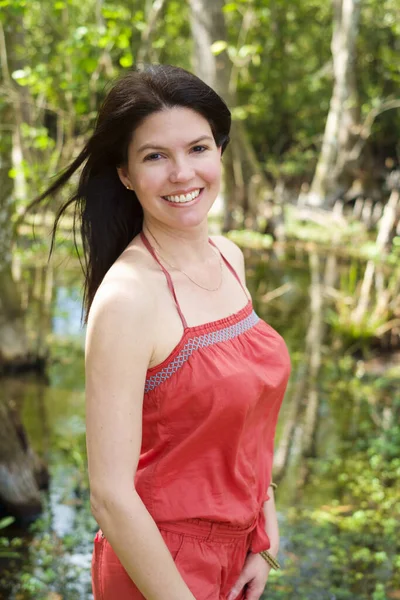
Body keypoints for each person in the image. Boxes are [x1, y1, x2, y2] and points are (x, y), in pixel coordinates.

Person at [32, 65, 291, 600]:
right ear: (125, 173)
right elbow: (109, 496)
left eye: (197, 148)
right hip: (157, 566)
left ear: (219, 150)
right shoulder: (129, 299)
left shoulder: (229, 257)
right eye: (155, 156)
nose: (182, 173)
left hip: (237, 552)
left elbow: (249, 418)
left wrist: (262, 531)